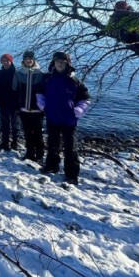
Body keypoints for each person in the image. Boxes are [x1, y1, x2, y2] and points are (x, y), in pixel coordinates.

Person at [36, 52, 91, 185]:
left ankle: (71, 174)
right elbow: (40, 92)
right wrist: (43, 106)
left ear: (67, 64)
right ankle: (51, 166)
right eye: (57, 62)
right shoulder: (48, 79)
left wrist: (78, 111)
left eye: (62, 62)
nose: (59, 64)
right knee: (52, 144)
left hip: (69, 120)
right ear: (53, 63)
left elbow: (86, 98)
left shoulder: (75, 81)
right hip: (52, 117)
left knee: (70, 148)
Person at [12, 51, 45, 163]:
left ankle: (40, 153)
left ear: (34, 60)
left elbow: (45, 92)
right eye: (26, 58)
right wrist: (17, 106)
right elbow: (15, 90)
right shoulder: (18, 73)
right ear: (23, 60)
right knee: (27, 132)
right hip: (24, 109)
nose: (28, 60)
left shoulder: (40, 73)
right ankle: (30, 153)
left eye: (30, 58)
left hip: (37, 109)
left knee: (37, 132)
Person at [0, 54, 20, 151]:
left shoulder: (17, 73)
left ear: (11, 61)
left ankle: (15, 143)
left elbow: (20, 89)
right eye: (3, 60)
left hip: (15, 104)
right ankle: (5, 143)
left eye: (7, 60)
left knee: (15, 124)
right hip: (2, 103)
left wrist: (19, 103)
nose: (5, 62)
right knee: (4, 124)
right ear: (1, 62)